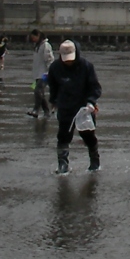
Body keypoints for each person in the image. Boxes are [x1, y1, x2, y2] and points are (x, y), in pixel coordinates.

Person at [47, 40, 102, 174]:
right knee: (63, 137)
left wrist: (91, 102)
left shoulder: (86, 66)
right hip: (65, 107)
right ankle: (63, 165)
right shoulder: (55, 68)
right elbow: (53, 87)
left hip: (84, 108)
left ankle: (95, 163)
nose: (68, 62)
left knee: (88, 136)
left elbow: (95, 87)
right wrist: (53, 101)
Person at [28, 28, 53, 119]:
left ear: (38, 36)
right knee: (39, 92)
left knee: (38, 90)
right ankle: (46, 111)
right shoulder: (37, 46)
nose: (33, 39)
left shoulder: (45, 45)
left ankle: (36, 110)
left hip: (45, 73)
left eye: (34, 37)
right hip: (38, 73)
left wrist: (51, 72)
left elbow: (49, 59)